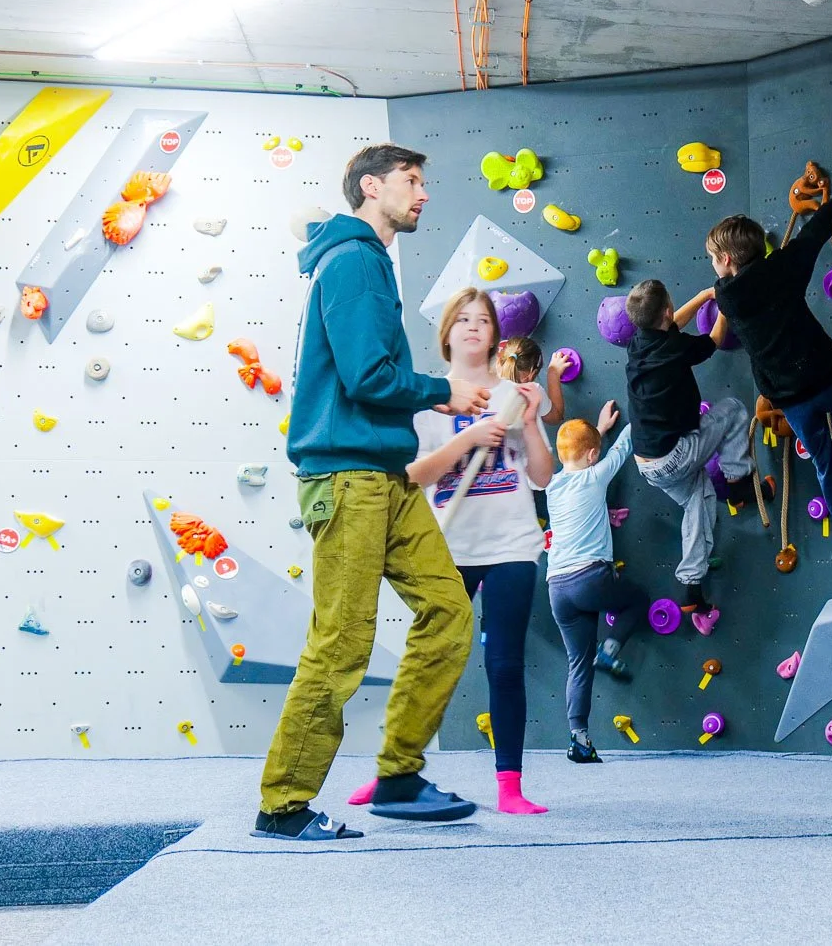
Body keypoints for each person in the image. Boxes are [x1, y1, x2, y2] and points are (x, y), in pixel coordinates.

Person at [255, 144, 486, 841]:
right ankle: (283, 805)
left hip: (385, 475)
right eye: (411, 181)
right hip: (347, 478)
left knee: (448, 611)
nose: (423, 193)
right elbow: (366, 377)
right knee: (342, 643)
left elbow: (370, 376)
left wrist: (432, 395)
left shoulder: (368, 260)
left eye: (423, 181)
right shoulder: (353, 259)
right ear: (370, 186)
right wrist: (442, 390)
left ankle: (398, 776)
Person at [339, 288, 552, 815]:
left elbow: (543, 476)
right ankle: (392, 771)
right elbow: (411, 476)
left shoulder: (517, 396)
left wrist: (528, 423)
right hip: (445, 546)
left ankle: (509, 787)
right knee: (427, 660)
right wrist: (468, 439)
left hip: (512, 545)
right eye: (463, 319)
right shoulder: (428, 400)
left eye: (484, 320)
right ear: (447, 333)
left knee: (504, 664)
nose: (474, 326)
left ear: (496, 335)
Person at [708, 167, 832, 551]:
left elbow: (728, 286)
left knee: (824, 459)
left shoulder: (726, 297)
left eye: (713, 260)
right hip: (827, 374)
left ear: (726, 259)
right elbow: (813, 234)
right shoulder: (783, 268)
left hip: (791, 397)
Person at [625, 279, 766, 627]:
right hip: (675, 454)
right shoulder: (676, 348)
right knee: (732, 410)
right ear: (667, 310)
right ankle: (738, 484)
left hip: (647, 463)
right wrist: (724, 307)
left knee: (698, 501)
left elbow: (672, 323)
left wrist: (704, 296)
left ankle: (692, 587)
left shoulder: (638, 343)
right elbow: (713, 340)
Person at [545, 402, 648, 764]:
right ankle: (610, 651)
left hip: (558, 587)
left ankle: (579, 740)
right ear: (592, 456)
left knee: (578, 663)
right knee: (638, 600)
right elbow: (625, 445)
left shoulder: (552, 485)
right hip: (590, 578)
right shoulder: (596, 475)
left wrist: (597, 432)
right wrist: (640, 406)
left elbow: (583, 454)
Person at [498, 334, 568, 425]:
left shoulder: (483, 376)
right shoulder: (532, 391)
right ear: (531, 374)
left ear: (499, 361)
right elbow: (555, 418)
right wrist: (553, 374)